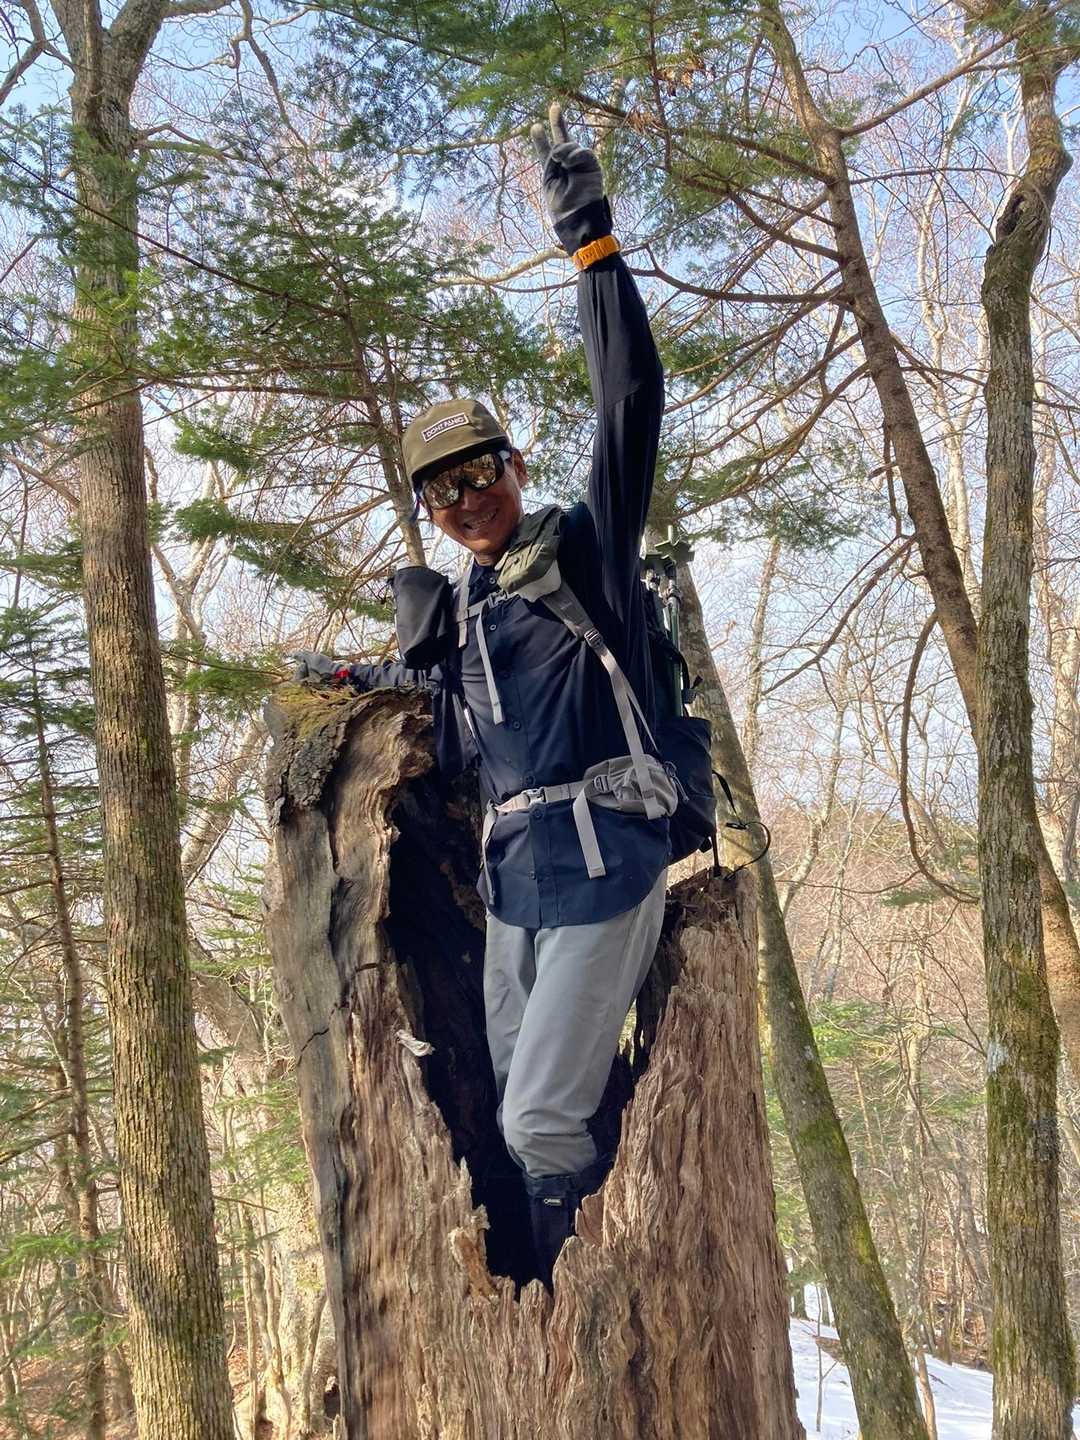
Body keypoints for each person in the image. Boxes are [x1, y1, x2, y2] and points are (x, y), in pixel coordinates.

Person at [292, 105, 669, 1287]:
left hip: (605, 854)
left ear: (515, 466)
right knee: (515, 1098)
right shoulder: (464, 615)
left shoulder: (586, 556)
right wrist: (349, 677)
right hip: (516, 883)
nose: (465, 501)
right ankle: (560, 1285)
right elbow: (429, 694)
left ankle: (581, 1316)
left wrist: (589, 244)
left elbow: (631, 402)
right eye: (441, 491)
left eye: (479, 472)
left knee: (539, 1121)